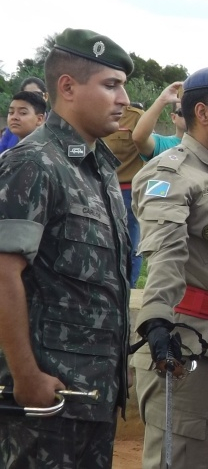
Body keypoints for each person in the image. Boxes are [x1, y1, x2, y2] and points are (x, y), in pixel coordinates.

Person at [0, 28, 133, 466]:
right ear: (68, 87)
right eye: (111, 85)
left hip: (91, 396)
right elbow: (3, 273)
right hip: (44, 401)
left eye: (123, 86)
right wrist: (26, 376)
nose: (124, 99)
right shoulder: (34, 161)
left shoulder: (100, 172)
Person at [132, 67, 208, 469]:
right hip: (184, 343)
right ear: (202, 113)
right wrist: (155, 321)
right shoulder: (170, 172)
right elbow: (166, 252)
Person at [103, 102, 147, 288]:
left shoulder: (136, 116)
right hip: (98, 188)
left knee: (130, 244)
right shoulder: (93, 112)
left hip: (127, 190)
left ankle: (128, 290)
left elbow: (147, 148)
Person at [132, 81, 186, 160]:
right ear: (173, 118)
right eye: (182, 112)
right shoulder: (162, 144)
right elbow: (139, 138)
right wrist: (162, 100)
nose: (189, 115)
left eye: (192, 110)